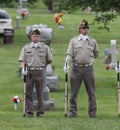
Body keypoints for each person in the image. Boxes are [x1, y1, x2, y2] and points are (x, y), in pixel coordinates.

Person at [63, 19, 99, 118]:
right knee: (74, 92)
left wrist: (89, 59)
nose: (85, 30)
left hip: (88, 68)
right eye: (83, 28)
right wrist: (67, 63)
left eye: (87, 28)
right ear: (79, 29)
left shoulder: (92, 41)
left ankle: (92, 113)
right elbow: (70, 54)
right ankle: (73, 112)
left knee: (91, 92)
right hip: (76, 68)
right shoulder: (74, 40)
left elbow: (96, 53)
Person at [19, 29, 52, 117]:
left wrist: (43, 65)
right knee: (28, 92)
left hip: (40, 71)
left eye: (37, 36)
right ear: (31, 37)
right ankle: (29, 111)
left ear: (40, 37)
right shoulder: (26, 47)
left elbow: (49, 60)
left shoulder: (45, 47)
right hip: (29, 71)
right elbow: (22, 59)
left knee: (40, 92)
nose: (36, 38)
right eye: (34, 36)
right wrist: (23, 68)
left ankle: (40, 112)